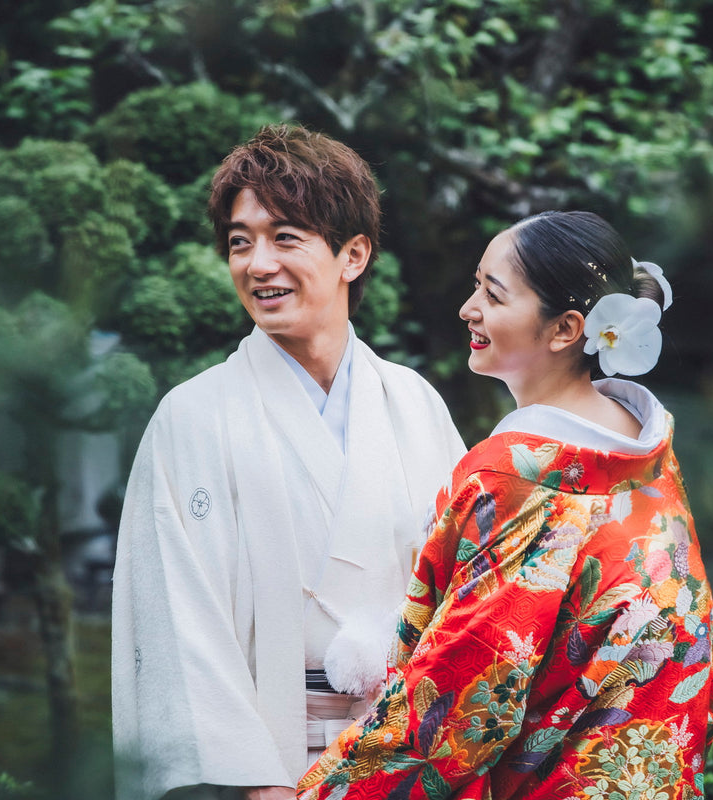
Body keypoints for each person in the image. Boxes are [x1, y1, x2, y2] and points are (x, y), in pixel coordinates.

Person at [298, 211, 713, 800]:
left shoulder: (514, 478)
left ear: (566, 329)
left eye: (492, 296)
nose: (468, 309)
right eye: (476, 285)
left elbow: (461, 700)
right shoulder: (645, 450)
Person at [111, 124, 466, 800]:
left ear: (353, 255)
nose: (257, 264)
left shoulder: (415, 404)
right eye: (240, 242)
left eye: (285, 237)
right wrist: (257, 784)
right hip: (267, 761)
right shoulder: (192, 417)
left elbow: (466, 593)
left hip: (409, 757)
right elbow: (176, 625)